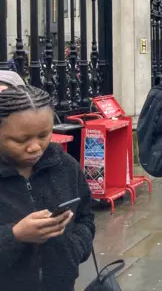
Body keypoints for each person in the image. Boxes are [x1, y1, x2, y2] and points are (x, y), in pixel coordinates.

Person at [0, 85, 95, 290]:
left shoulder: (65, 165)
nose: (35, 147)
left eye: (44, 135)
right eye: (21, 140)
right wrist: (14, 236)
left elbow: (85, 216)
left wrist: (74, 248)